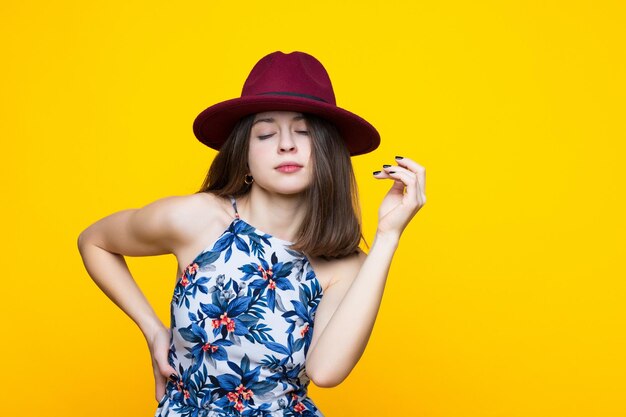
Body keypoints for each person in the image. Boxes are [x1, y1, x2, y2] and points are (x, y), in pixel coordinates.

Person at [77, 50, 426, 417]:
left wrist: (388, 236)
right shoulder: (196, 219)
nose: (286, 144)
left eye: (304, 132)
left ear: (328, 152)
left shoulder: (346, 264)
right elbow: (94, 241)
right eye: (265, 133)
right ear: (244, 152)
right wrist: (152, 330)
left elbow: (325, 372)